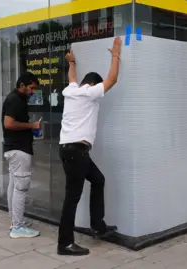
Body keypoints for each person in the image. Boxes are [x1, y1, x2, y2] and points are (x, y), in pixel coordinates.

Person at [57, 36, 122, 256]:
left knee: (98, 180)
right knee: (72, 198)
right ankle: (64, 243)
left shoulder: (71, 91)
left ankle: (97, 225)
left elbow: (72, 78)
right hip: (76, 151)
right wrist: (115, 54)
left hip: (72, 151)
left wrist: (72, 62)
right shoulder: (88, 92)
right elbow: (111, 80)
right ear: (93, 85)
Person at [2, 72, 41, 239]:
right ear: (22, 85)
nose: (33, 92)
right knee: (21, 187)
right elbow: (9, 123)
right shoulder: (15, 100)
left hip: (14, 149)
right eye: (31, 88)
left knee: (14, 185)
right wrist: (32, 125)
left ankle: (15, 221)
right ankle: (17, 227)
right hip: (19, 150)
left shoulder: (16, 99)